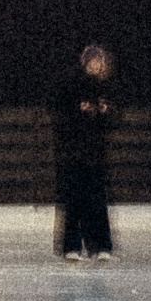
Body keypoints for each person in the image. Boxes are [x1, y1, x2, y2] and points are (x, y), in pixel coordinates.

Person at [50, 41, 118, 259]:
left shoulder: (105, 88)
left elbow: (112, 122)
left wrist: (105, 112)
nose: (96, 65)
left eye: (100, 62)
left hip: (95, 154)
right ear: (85, 63)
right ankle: (72, 247)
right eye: (93, 61)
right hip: (73, 152)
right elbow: (59, 115)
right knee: (74, 200)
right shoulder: (70, 84)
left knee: (97, 201)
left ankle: (101, 247)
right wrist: (78, 112)